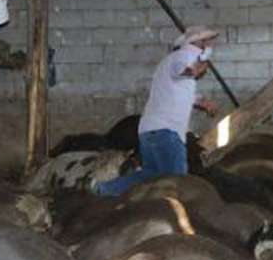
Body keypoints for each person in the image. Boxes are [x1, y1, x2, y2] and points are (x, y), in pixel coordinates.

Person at [92, 26, 218, 197]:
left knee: (150, 175)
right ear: (198, 43)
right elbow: (181, 69)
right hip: (167, 132)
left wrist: (203, 102)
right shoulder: (186, 55)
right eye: (207, 41)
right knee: (177, 181)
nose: (210, 44)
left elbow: (181, 90)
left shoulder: (171, 62)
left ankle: (103, 190)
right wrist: (196, 68)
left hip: (151, 130)